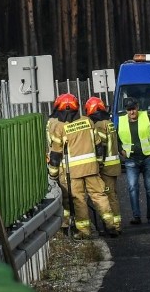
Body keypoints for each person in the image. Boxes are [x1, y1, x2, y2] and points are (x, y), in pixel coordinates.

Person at [46, 93, 119, 239]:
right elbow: (99, 145)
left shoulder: (60, 128)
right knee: (99, 196)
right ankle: (111, 225)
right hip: (92, 169)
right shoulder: (88, 121)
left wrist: (53, 174)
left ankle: (84, 232)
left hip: (73, 172)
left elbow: (56, 154)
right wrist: (98, 162)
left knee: (78, 200)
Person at [116, 96, 150, 225]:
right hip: (131, 159)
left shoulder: (146, 117)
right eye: (129, 110)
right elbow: (116, 138)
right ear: (126, 110)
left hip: (147, 157)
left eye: (133, 109)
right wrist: (120, 150)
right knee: (133, 187)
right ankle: (136, 216)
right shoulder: (121, 121)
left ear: (138, 107)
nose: (131, 112)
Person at [85, 96, 122, 234]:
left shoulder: (99, 125)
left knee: (108, 196)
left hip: (106, 167)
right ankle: (116, 224)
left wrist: (98, 164)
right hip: (114, 166)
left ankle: (114, 226)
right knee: (113, 196)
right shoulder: (109, 122)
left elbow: (101, 146)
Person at [46, 94, 75, 235]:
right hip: (65, 165)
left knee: (67, 197)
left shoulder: (51, 122)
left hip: (62, 165)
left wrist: (52, 173)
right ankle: (66, 225)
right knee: (68, 197)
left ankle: (65, 225)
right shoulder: (59, 125)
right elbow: (57, 151)